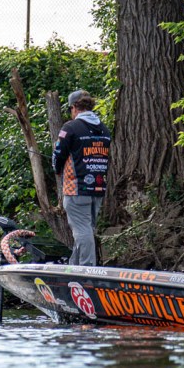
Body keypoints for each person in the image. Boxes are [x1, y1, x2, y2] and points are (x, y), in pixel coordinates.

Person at [52, 89, 111, 266]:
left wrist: (57, 169)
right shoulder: (104, 128)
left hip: (76, 188)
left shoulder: (70, 127)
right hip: (98, 188)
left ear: (74, 108)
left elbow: (58, 154)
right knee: (86, 229)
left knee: (82, 230)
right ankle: (74, 267)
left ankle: (86, 270)